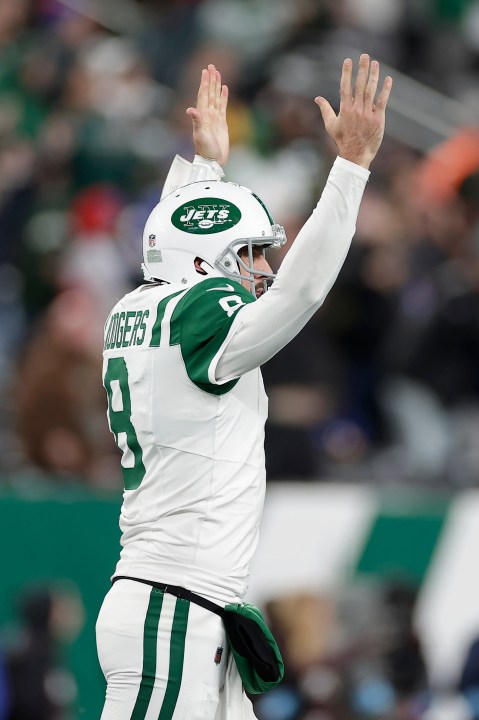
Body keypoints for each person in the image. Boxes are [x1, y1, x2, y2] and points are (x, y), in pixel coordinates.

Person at [96, 57, 392, 720]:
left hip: (187, 608)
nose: (261, 270)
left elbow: (179, 248)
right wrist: (349, 167)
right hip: (174, 608)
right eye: (250, 254)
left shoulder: (142, 308)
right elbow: (303, 290)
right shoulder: (196, 316)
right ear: (204, 260)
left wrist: (204, 172)